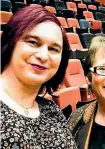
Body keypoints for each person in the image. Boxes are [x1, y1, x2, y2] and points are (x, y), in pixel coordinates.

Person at [0, 5, 77, 148]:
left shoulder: (51, 110)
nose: (43, 56)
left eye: (53, 49)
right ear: (10, 43)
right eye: (33, 42)